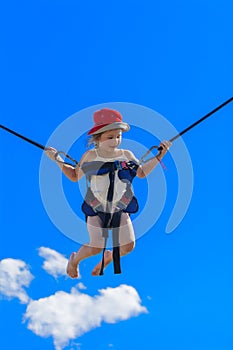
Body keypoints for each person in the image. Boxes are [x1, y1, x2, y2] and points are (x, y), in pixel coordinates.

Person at [45, 108, 171, 278]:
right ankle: (75, 260)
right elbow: (74, 175)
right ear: (97, 139)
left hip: (120, 205)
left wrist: (160, 155)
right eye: (110, 137)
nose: (115, 141)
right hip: (96, 206)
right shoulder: (90, 156)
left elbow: (141, 173)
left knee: (128, 246)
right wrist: (57, 159)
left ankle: (110, 256)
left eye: (118, 136)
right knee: (96, 246)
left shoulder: (126, 154)